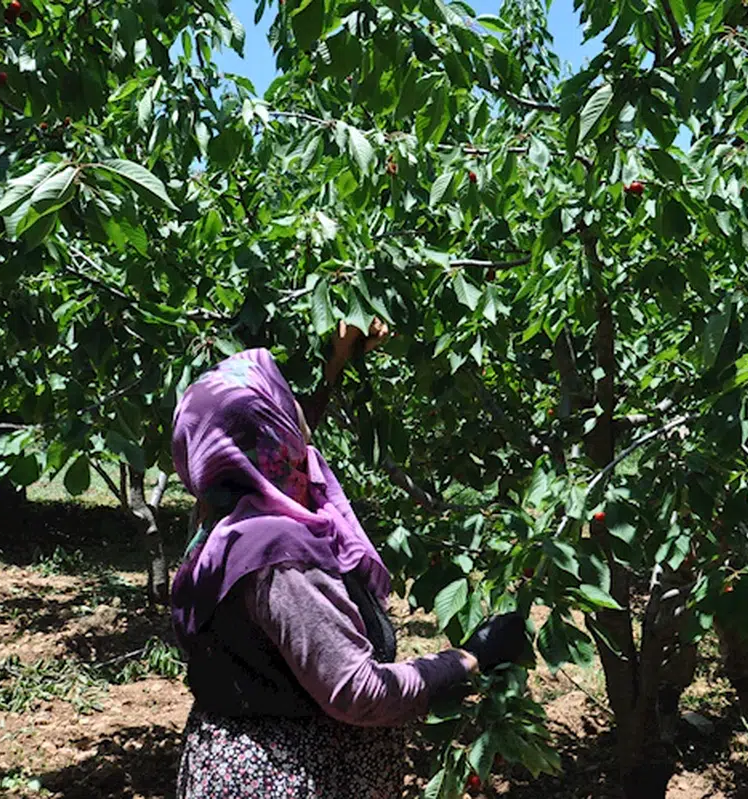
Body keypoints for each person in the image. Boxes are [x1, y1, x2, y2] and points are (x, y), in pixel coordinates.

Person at [170, 321, 530, 798]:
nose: (297, 408)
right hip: (291, 781)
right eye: (284, 402)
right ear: (274, 434)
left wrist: (336, 365)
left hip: (233, 765)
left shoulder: (221, 523)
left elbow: (278, 438)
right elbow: (356, 691)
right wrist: (469, 659)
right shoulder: (278, 556)